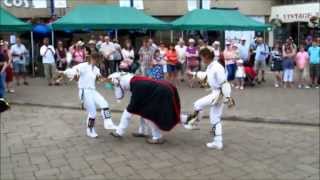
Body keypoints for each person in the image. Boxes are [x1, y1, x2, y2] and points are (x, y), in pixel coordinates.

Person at [108, 72, 181, 144]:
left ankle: (157, 137)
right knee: (142, 111)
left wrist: (130, 108)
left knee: (146, 114)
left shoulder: (136, 84)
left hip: (161, 92)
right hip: (162, 89)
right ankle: (143, 131)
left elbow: (131, 108)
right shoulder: (134, 81)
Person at [185, 48, 235, 149]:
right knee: (215, 118)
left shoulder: (217, 67)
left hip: (218, 93)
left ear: (207, 57)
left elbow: (224, 83)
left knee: (197, 104)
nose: (201, 59)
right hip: (217, 93)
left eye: (202, 57)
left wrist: (228, 98)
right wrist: (193, 74)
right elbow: (206, 76)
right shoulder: (211, 66)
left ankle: (193, 122)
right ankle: (218, 142)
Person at [60, 53, 117, 138]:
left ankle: (108, 122)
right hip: (84, 91)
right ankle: (90, 130)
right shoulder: (83, 66)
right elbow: (74, 71)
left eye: (99, 60)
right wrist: (67, 73)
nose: (97, 61)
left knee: (104, 103)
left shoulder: (96, 69)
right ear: (91, 58)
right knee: (92, 112)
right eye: (96, 59)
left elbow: (99, 79)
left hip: (92, 90)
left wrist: (109, 80)